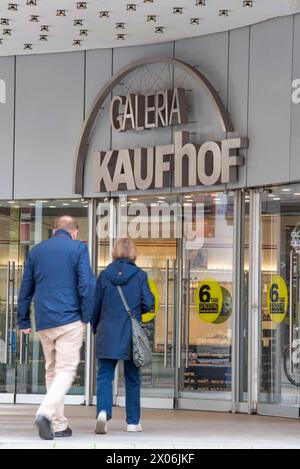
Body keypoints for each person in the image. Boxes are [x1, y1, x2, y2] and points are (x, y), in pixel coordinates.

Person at [17, 216, 95, 441]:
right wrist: (86, 316)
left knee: (52, 371)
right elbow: (86, 284)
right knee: (67, 370)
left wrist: (23, 320)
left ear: (53, 232)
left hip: (44, 320)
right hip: (69, 318)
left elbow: (26, 287)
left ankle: (59, 425)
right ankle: (44, 412)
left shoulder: (37, 251)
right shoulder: (79, 248)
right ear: (74, 233)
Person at [91, 238, 154, 435]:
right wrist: (137, 312)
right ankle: (133, 422)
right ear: (133, 253)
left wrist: (96, 328)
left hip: (107, 330)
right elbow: (149, 302)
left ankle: (103, 412)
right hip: (130, 332)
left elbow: (95, 306)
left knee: (104, 375)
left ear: (115, 252)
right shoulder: (140, 275)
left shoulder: (104, 276)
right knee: (133, 378)